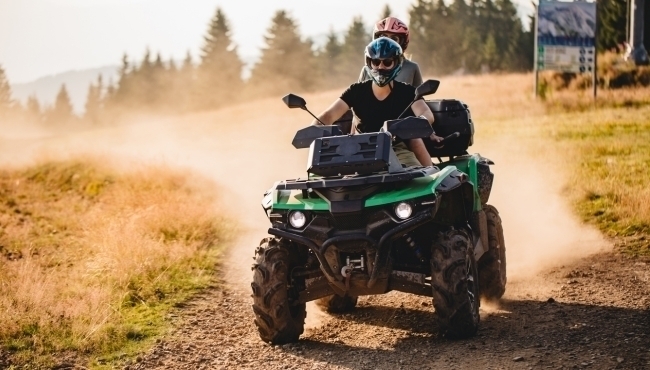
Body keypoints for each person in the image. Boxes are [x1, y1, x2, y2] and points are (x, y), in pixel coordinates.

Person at [311, 37, 441, 168]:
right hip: (359, 152)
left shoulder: (407, 92)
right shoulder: (356, 91)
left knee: (416, 180)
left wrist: (409, 123)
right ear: (369, 62)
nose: (380, 67)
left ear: (397, 63)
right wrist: (314, 128)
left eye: (387, 62)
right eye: (376, 62)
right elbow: (328, 115)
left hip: (397, 150)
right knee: (342, 185)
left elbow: (426, 113)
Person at [357, 16, 423, 86]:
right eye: (383, 37)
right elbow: (357, 94)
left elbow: (420, 95)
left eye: (394, 39)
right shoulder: (367, 69)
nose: (387, 43)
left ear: (403, 43)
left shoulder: (412, 68)